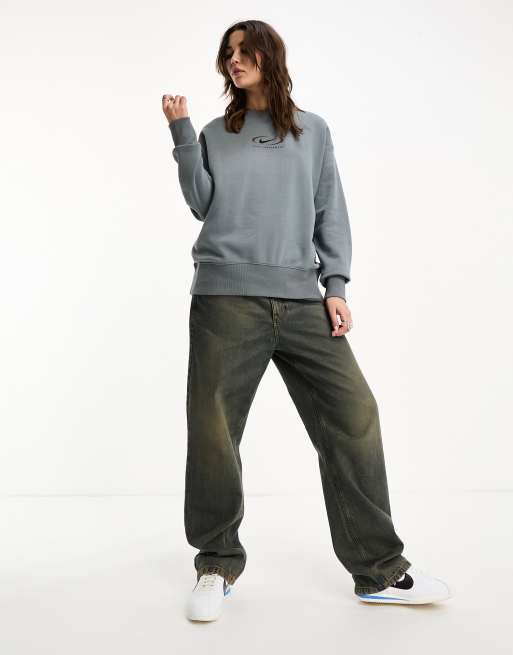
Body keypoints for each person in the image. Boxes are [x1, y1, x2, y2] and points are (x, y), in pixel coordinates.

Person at [162, 19, 451, 622]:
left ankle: (378, 570)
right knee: (214, 432)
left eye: (245, 51)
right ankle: (216, 562)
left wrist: (335, 285)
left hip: (301, 300)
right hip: (225, 300)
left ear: (270, 57)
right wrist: (182, 134)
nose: (234, 60)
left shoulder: (313, 131)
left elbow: (329, 208)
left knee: (355, 415)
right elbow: (200, 203)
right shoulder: (215, 133)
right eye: (228, 53)